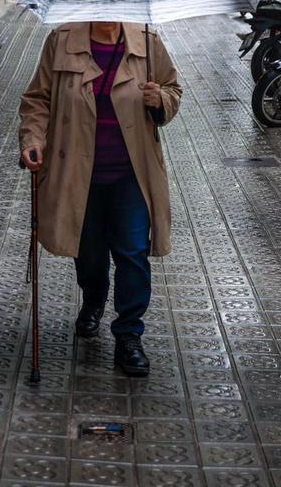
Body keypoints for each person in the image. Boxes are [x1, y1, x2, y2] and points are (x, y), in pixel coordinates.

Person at [18, 21, 182, 376]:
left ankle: (129, 334)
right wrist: (33, 139)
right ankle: (93, 299)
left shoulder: (147, 41)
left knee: (133, 253)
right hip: (78, 173)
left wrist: (161, 100)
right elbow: (37, 99)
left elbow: (173, 89)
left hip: (131, 173)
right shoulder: (62, 41)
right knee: (88, 253)